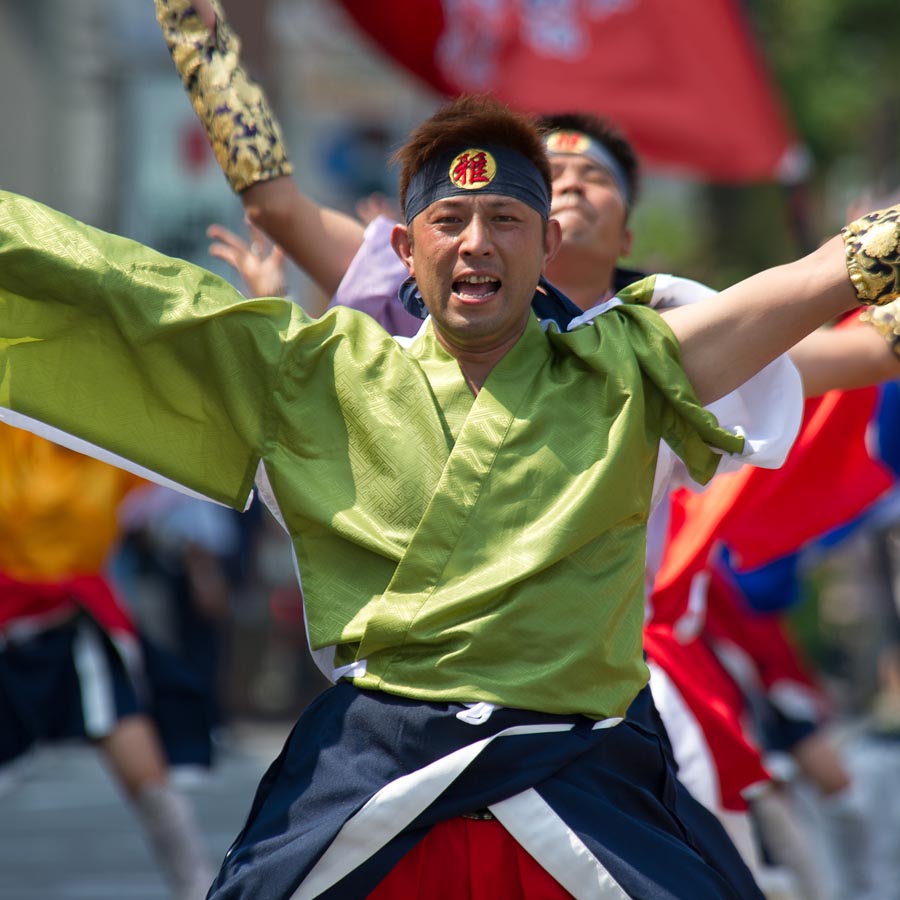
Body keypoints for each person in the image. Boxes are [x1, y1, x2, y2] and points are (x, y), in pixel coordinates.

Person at [3, 72, 900, 899]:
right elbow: (123, 293)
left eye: (507, 218)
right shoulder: (316, 376)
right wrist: (204, 49)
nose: (477, 242)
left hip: (584, 773)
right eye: (451, 219)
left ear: (550, 240)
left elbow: (824, 277)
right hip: (375, 777)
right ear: (403, 247)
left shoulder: (638, 360)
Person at [0, 426, 214, 900]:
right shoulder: (11, 433)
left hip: (80, 624)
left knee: (147, 776)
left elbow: (178, 474)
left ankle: (197, 887)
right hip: (7, 622)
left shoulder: (109, 447)